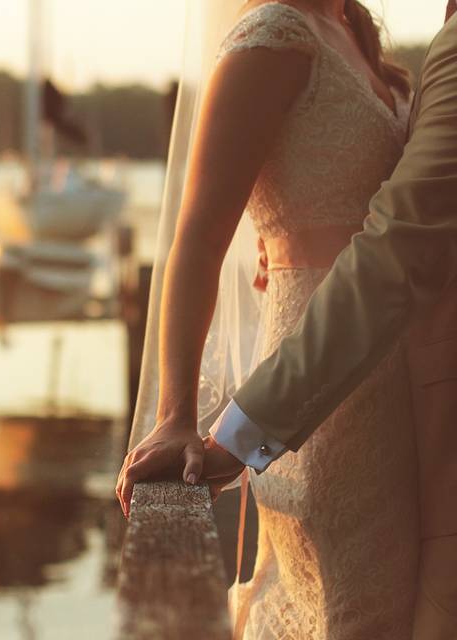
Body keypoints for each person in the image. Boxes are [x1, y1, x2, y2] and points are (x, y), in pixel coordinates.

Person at [116, 0, 426, 637]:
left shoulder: (356, 38)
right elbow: (198, 239)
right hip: (318, 396)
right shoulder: (269, 39)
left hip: (403, 387)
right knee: (340, 608)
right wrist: (175, 416)